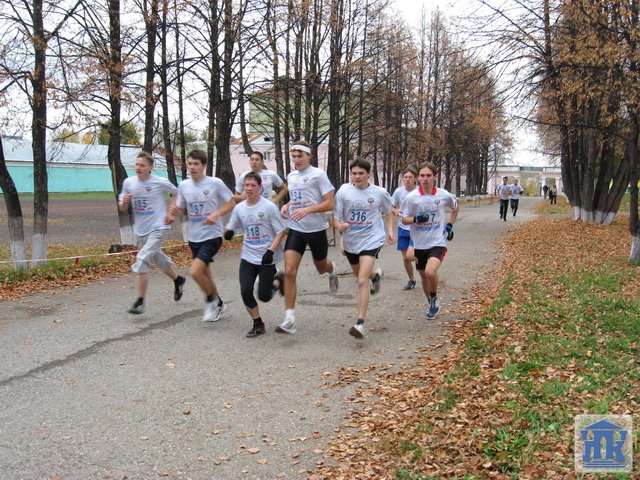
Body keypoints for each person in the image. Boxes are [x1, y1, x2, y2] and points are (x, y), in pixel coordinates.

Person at [277, 140, 339, 334]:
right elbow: (296, 199)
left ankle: (331, 268)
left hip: (316, 229)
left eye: (300, 156)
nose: (296, 160)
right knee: (289, 271)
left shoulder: (318, 175)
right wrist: (288, 205)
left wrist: (308, 210)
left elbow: (330, 203)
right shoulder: (291, 176)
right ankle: (289, 318)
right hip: (296, 229)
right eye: (293, 156)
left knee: (321, 268)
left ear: (309, 156)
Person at [171, 149, 235, 322]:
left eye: (196, 164)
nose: (192, 167)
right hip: (194, 237)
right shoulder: (184, 185)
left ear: (204, 165)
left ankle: (210, 301)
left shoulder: (215, 183)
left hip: (212, 235)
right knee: (205, 275)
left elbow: (231, 202)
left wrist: (216, 214)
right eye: (190, 164)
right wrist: (176, 211)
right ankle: (219, 303)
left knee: (195, 272)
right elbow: (183, 209)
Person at [118, 151, 186, 314]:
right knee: (157, 257)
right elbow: (122, 206)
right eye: (137, 164)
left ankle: (140, 302)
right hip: (141, 229)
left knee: (143, 259)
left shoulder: (159, 182)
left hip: (158, 227)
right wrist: (124, 203)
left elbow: (176, 192)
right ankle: (178, 280)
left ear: (150, 168)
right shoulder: (129, 183)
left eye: (142, 165)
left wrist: (171, 211)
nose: (138, 168)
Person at [333, 159, 395, 338]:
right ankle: (375, 277)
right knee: (362, 274)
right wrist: (340, 227)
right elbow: (335, 218)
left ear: (369, 174)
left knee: (361, 281)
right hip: (351, 241)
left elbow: (388, 212)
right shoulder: (343, 192)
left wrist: (390, 231)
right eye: (354, 173)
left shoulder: (379, 193)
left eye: (361, 173)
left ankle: (360, 323)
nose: (357, 176)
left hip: (371, 240)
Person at [224, 172, 286, 338]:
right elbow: (231, 226)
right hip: (248, 256)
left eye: (253, 185)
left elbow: (280, 232)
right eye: (247, 185)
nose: (249, 188)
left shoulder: (269, 207)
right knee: (245, 291)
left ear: (260, 188)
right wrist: (228, 232)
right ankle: (258, 323)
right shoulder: (239, 208)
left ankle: (279, 280)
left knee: (264, 296)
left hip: (266, 256)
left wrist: (270, 251)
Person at [400, 162, 459, 320]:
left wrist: (449, 226)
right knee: (423, 276)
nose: (425, 179)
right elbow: (404, 219)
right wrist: (415, 219)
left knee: (430, 272)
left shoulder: (443, 195)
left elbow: (455, 207)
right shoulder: (411, 197)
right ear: (418, 178)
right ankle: (431, 302)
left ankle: (433, 296)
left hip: (437, 242)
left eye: (428, 175)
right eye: (422, 176)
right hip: (419, 243)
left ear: (435, 177)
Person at [391, 167, 418, 290]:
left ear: (415, 179)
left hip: (416, 229)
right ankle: (411, 279)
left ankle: (423, 261)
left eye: (410, 177)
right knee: (405, 258)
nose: (407, 180)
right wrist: (395, 210)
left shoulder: (420, 191)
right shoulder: (398, 191)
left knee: (410, 256)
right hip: (402, 227)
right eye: (405, 177)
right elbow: (390, 206)